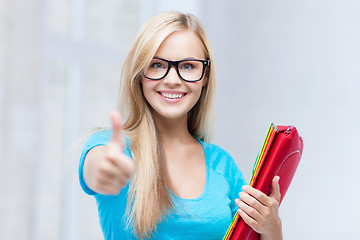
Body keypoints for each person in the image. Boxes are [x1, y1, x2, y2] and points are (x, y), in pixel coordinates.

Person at [78, 11, 283, 240]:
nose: (173, 80)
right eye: (156, 65)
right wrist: (105, 170)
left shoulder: (223, 165)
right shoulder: (110, 148)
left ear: (205, 75)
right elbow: (96, 168)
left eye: (187, 66)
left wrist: (272, 228)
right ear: (139, 74)